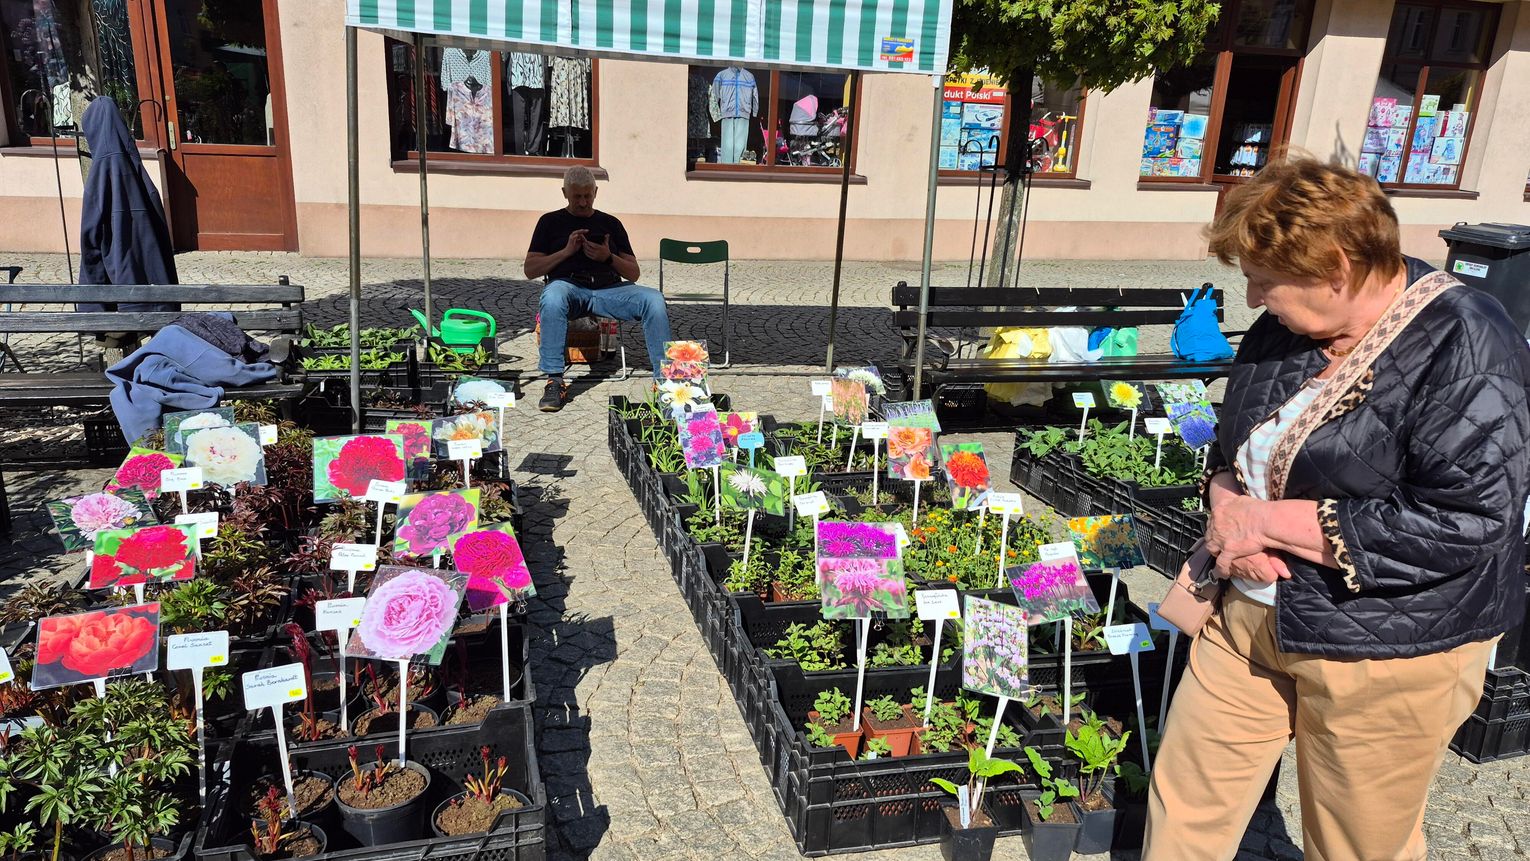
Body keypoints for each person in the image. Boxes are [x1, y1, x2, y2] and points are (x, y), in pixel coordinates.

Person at [1144, 157, 1530, 861]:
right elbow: (1237, 447)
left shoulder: (1468, 339)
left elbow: (1466, 520)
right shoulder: (1286, 328)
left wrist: (1266, 522)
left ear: (1337, 269)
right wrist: (1226, 502)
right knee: (1186, 804)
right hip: (1247, 616)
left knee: (1355, 844)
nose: (1253, 298)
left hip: (1384, 644)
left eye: (1264, 280)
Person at [524, 165, 672, 412]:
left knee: (654, 299)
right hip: (569, 288)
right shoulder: (549, 222)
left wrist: (608, 257)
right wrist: (566, 252)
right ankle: (554, 380)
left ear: (596, 192)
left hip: (609, 289)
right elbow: (530, 269)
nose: (583, 202)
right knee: (552, 297)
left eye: (587, 195)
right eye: (577, 196)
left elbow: (633, 273)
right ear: (565, 193)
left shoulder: (611, 223)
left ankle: (666, 381)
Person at [77, 97, 179, 358]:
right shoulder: (137, 168)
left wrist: (93, 306)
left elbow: (90, 239)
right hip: (155, 285)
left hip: (122, 290)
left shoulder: (99, 173)